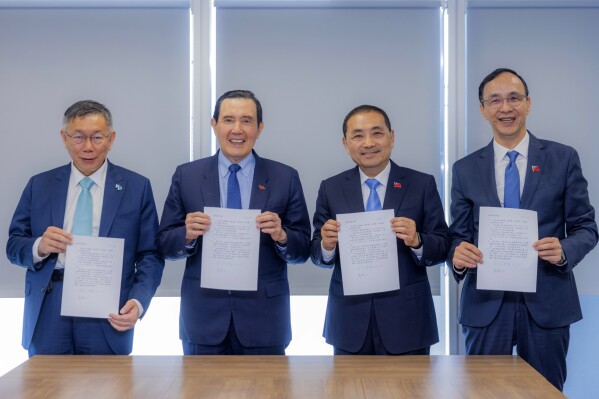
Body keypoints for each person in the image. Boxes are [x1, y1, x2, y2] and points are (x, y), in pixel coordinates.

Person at [448, 68, 598, 390]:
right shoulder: (464, 169)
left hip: (547, 303)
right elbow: (456, 236)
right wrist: (457, 256)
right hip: (485, 306)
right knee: (483, 394)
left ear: (528, 103)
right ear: (483, 109)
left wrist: (563, 251)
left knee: (545, 393)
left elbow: (586, 226)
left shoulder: (563, 158)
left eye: (514, 98)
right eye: (495, 100)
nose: (506, 108)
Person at [157, 90, 311, 355]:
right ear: (214, 124)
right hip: (203, 319)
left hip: (264, 321)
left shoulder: (285, 177)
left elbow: (303, 250)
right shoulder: (188, 176)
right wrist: (187, 235)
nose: (237, 129)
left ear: (259, 128)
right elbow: (164, 245)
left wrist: (282, 236)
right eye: (228, 120)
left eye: (247, 121)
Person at [6, 100, 164, 356]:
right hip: (49, 304)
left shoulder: (137, 187)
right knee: (46, 391)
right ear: (64, 138)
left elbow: (150, 255)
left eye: (97, 137)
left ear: (111, 139)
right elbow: (13, 246)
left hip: (109, 307)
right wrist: (39, 246)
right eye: (78, 137)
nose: (88, 147)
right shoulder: (40, 185)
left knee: (107, 388)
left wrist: (138, 301)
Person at [310, 104, 449, 355]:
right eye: (358, 135)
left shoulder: (421, 184)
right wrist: (326, 245)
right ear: (345, 143)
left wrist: (417, 240)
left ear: (391, 137)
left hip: (408, 322)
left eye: (377, 133)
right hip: (349, 323)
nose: (368, 143)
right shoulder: (331, 188)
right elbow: (317, 255)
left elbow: (442, 245)